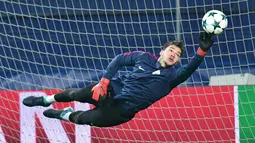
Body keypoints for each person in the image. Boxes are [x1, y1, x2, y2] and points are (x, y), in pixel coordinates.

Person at [23, 32, 213, 127]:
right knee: (74, 93)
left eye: (178, 54)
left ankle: (63, 114)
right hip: (111, 89)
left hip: (121, 111)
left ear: (178, 60)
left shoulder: (173, 77)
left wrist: (202, 51)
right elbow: (119, 60)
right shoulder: (144, 57)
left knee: (81, 119)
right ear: (162, 51)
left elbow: (190, 68)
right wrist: (104, 81)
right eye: (171, 50)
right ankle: (46, 100)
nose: (174, 54)